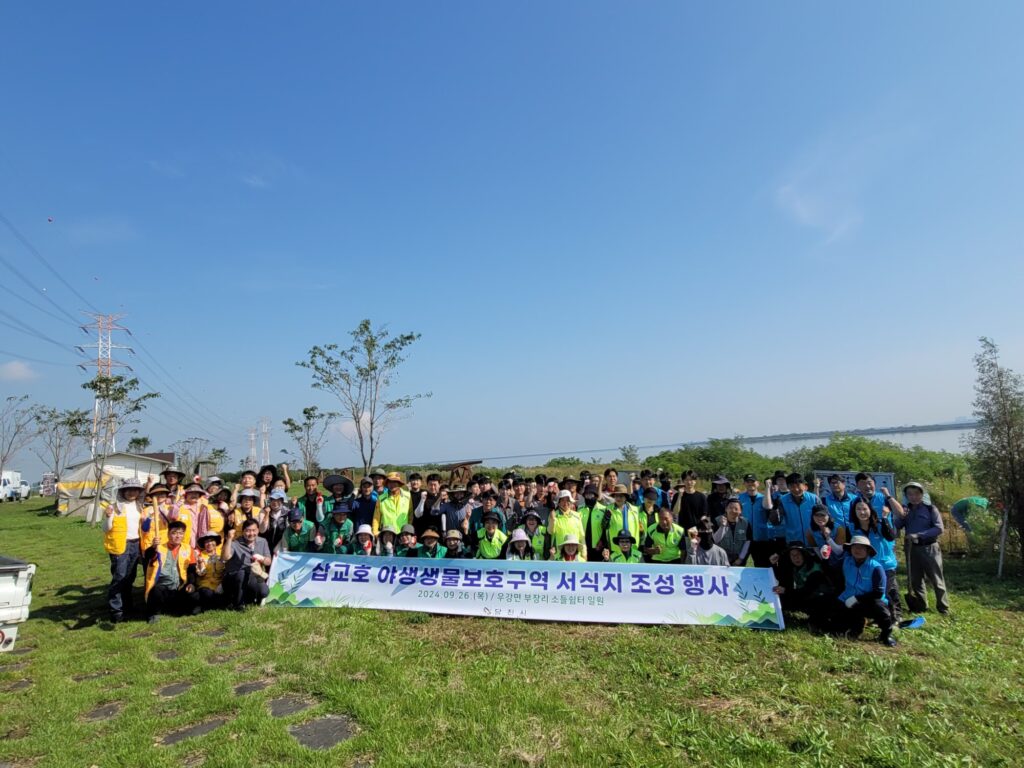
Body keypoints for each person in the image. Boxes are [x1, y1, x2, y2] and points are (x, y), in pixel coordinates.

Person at [841, 498, 900, 623]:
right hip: (865, 567)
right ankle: (874, 616)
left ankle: (893, 617)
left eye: (865, 509)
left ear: (870, 509)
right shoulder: (851, 528)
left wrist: (884, 518)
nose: (862, 512)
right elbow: (849, 547)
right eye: (858, 509)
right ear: (854, 511)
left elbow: (891, 536)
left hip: (885, 565)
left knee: (885, 592)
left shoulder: (879, 523)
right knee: (870, 593)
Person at [896, 481, 950, 615]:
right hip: (911, 549)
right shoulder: (905, 510)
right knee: (916, 579)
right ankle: (921, 606)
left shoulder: (930, 509)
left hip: (929, 547)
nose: (913, 497)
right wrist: (900, 514)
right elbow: (897, 525)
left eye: (916, 494)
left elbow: (939, 528)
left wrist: (919, 535)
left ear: (922, 494)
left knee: (936, 579)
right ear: (906, 496)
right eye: (910, 494)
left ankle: (943, 608)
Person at [834, 535, 897, 646]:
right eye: (855, 547)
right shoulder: (845, 562)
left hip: (870, 600)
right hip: (848, 599)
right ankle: (856, 627)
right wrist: (825, 557)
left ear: (868, 551)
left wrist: (857, 598)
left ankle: (886, 634)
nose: (857, 550)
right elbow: (830, 572)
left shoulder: (876, 567)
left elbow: (878, 593)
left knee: (881, 609)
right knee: (835, 616)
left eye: (861, 548)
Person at [103, 478, 147, 622]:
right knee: (119, 576)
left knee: (130, 577)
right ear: (123, 491)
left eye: (135, 489)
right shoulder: (115, 507)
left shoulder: (140, 506)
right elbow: (106, 528)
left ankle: (128, 606)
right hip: (120, 545)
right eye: (128, 489)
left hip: (136, 544)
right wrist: (108, 517)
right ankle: (116, 610)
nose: (131, 492)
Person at [770, 543, 836, 632]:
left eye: (798, 554)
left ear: (804, 555)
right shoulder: (794, 567)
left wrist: (785, 591)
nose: (795, 558)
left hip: (821, 600)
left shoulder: (815, 570)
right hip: (805, 597)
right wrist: (774, 564)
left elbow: (806, 592)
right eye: (792, 555)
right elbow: (782, 578)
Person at [143, 520, 197, 623]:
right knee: (156, 591)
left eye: (181, 533)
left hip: (179, 587)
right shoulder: (159, 548)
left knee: (194, 593)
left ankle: (180, 608)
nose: (178, 536)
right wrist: (153, 547)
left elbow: (191, 569)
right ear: (168, 534)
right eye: (174, 533)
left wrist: (191, 583)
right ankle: (154, 613)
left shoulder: (188, 549)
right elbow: (147, 556)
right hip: (163, 587)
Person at [223, 517, 271, 609]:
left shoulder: (263, 541)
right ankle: (239, 604)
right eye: (248, 531)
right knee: (241, 573)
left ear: (258, 530)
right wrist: (229, 539)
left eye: (254, 530)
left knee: (264, 592)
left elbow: (268, 562)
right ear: (243, 531)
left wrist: (263, 559)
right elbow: (226, 557)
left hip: (254, 574)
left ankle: (250, 599)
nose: (251, 533)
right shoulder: (235, 543)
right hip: (235, 576)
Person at [741, 474, 785, 567]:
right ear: (744, 483)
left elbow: (769, 507)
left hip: (761, 538)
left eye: (752, 481)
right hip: (744, 538)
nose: (750, 484)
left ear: (758, 483)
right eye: (747, 482)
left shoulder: (764, 498)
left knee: (762, 566)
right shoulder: (739, 498)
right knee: (739, 564)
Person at [775, 473, 819, 546]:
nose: (796, 489)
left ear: (804, 485)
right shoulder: (782, 500)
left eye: (798, 485)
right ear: (788, 487)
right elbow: (777, 521)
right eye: (792, 486)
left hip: (814, 540)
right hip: (794, 540)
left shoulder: (814, 499)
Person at [193, 532, 229, 614]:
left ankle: (206, 606)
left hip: (219, 586)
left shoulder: (222, 554)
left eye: (212, 540)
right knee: (206, 594)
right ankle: (211, 605)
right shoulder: (200, 556)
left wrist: (222, 585)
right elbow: (201, 573)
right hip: (205, 586)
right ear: (204, 544)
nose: (209, 543)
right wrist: (200, 564)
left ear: (216, 542)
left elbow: (226, 571)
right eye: (206, 542)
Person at [547, 490, 587, 561]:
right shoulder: (554, 515)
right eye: (562, 500)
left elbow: (582, 537)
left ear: (571, 502)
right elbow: (550, 531)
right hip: (558, 556)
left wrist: (584, 554)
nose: (565, 503)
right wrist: (552, 519)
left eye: (568, 500)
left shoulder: (577, 516)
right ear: (558, 502)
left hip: (575, 556)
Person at [713, 497, 751, 566]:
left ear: (741, 511)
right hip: (721, 558)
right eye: (730, 508)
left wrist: (740, 559)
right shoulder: (717, 521)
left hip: (738, 559)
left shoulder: (745, 523)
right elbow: (715, 540)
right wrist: (722, 527)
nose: (733, 511)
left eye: (736, 509)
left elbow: (747, 542)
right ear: (726, 509)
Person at [577, 484, 607, 562]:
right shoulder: (579, 509)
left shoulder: (603, 510)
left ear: (596, 496)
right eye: (586, 495)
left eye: (591, 495)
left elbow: (606, 528)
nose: (588, 497)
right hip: (583, 546)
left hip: (598, 547)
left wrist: (602, 541)